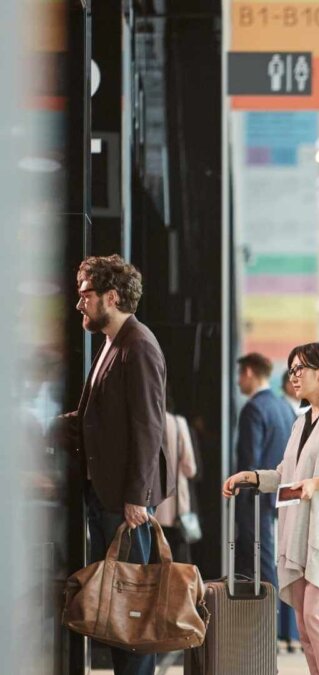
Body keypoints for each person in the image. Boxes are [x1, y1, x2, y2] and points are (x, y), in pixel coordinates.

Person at [223, 342, 319, 675]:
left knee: (318, 616)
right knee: (306, 626)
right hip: (299, 530)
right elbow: (285, 474)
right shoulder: (301, 420)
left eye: (299, 369)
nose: (293, 376)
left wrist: (318, 483)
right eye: (291, 369)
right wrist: (251, 477)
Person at [54, 255, 170, 675]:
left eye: (85, 294)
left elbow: (148, 426)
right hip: (109, 495)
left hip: (125, 502)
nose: (79, 303)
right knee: (119, 604)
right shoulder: (113, 343)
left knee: (132, 605)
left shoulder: (137, 345)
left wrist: (136, 498)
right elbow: (95, 418)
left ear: (112, 296)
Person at [235, 352, 302, 652]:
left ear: (249, 372)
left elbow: (249, 462)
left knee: (261, 567)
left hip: (258, 501)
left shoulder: (254, 409)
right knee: (282, 563)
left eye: (240, 375)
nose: (239, 382)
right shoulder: (284, 408)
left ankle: (266, 635)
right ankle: (287, 632)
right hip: (283, 500)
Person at [156, 407, 198, 563]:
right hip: (175, 506)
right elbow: (190, 468)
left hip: (153, 505)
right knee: (178, 557)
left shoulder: (148, 420)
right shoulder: (178, 423)